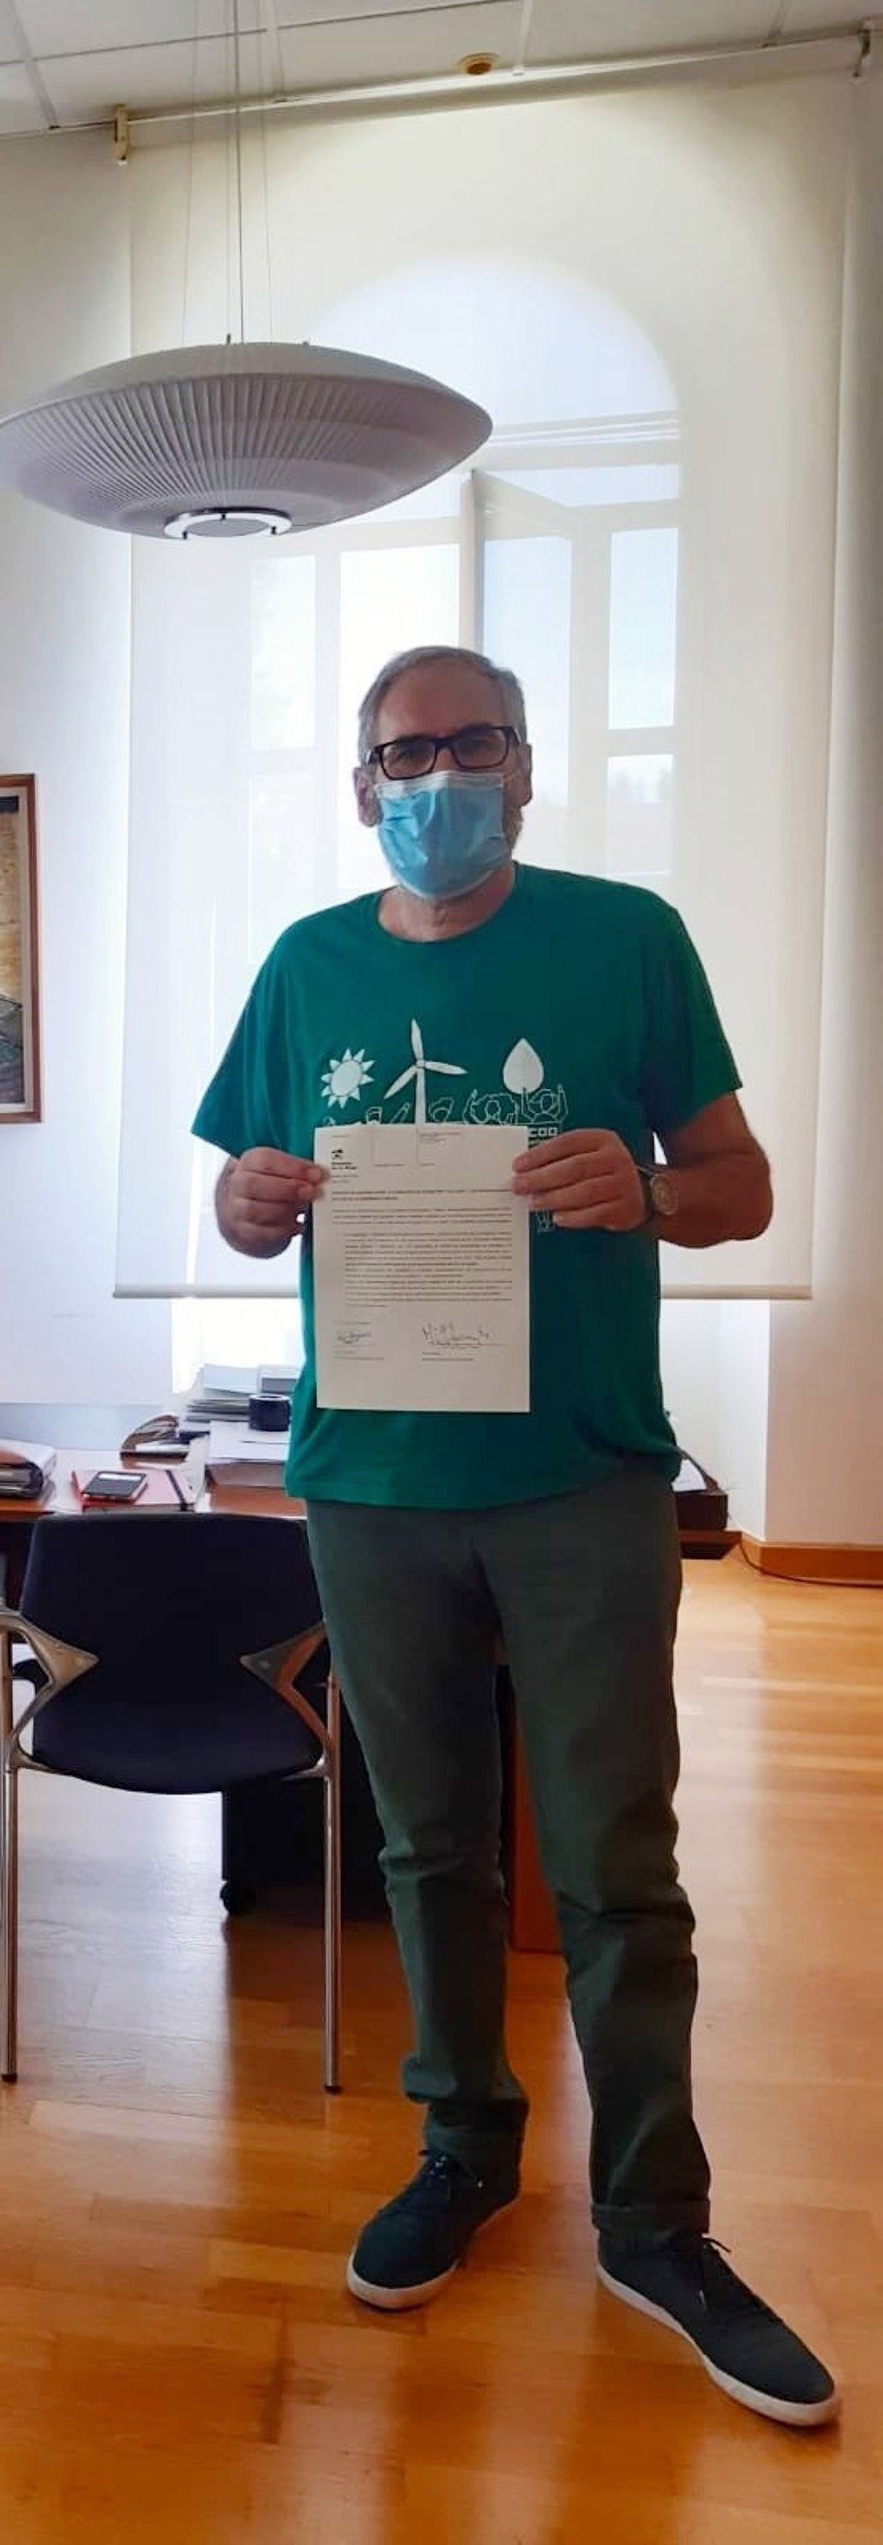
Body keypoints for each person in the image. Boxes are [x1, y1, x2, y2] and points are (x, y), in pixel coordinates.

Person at [194, 646, 838, 2429]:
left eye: (470, 744)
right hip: (372, 1478)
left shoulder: (627, 939)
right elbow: (242, 1203)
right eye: (403, 755)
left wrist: (651, 1188)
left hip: (579, 1476)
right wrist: (243, 1201)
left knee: (617, 1858)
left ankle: (655, 2218)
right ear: (361, 786)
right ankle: (465, 2144)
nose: (437, 777)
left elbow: (743, 1185)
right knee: (428, 1846)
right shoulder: (304, 967)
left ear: (527, 767)